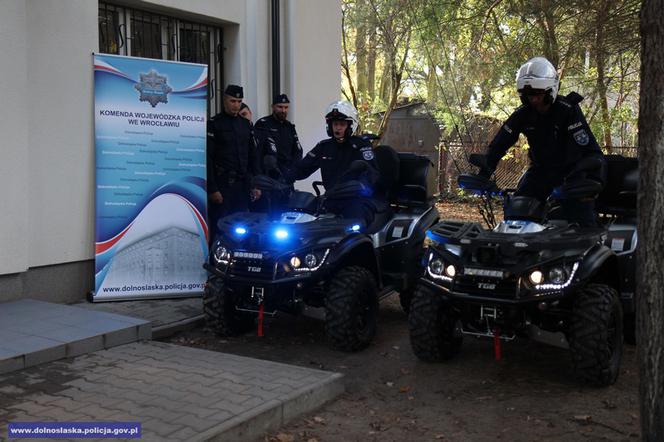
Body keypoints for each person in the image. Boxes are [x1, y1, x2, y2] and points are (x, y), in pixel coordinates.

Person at [478, 56, 604, 227]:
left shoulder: (567, 110)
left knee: (580, 219)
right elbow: (501, 141)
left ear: (550, 90)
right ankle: (516, 249)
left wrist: (586, 172)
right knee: (518, 210)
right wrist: (485, 169)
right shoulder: (524, 113)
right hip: (541, 172)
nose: (534, 99)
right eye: (529, 95)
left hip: (574, 173)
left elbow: (589, 151)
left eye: (538, 94)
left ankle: (592, 245)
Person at [283, 100, 384, 228]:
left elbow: (373, 174)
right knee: (305, 219)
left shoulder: (361, 146)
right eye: (335, 124)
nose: (338, 128)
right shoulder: (324, 146)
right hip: (331, 199)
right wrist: (279, 179)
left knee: (353, 228)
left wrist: (359, 186)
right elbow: (302, 168)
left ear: (350, 125)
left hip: (357, 200)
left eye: (342, 124)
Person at [206, 84, 262, 240]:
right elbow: (208, 158)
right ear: (224, 100)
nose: (236, 105)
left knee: (243, 229)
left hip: (242, 185)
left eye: (239, 101)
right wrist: (212, 189)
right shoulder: (215, 124)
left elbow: (253, 156)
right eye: (232, 101)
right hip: (223, 185)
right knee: (220, 228)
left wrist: (256, 184)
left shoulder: (245, 125)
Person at [254, 94, 303, 175]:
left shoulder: (289, 127)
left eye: (286, 107)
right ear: (273, 107)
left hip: (287, 175)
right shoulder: (263, 124)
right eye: (280, 107)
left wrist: (293, 169)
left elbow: (298, 150)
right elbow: (257, 153)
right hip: (269, 175)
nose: (283, 110)